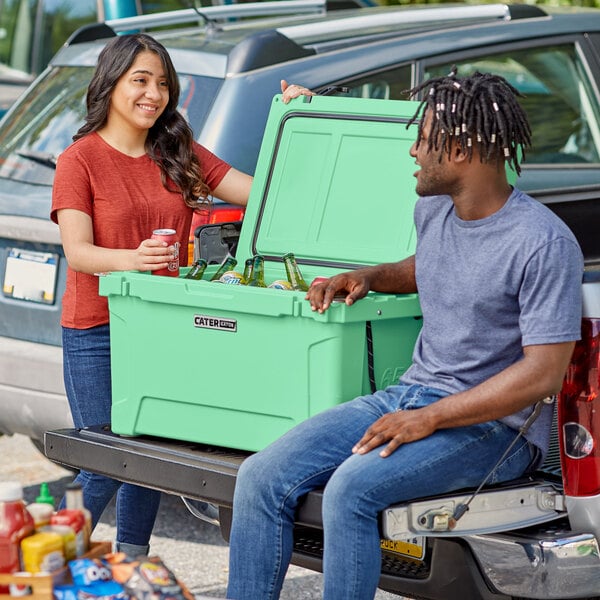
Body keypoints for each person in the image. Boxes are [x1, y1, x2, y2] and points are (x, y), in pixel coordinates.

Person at [226, 70, 584, 599]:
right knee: (259, 477)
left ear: (461, 151)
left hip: (497, 430)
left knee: (350, 489)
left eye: (424, 140)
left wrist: (429, 418)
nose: (412, 151)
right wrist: (370, 277)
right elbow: (429, 264)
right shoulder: (434, 209)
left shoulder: (545, 243)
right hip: (411, 396)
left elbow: (542, 375)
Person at [50, 33, 309, 556]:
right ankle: (41, 560)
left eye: (163, 83)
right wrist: (132, 259)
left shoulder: (176, 151)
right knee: (105, 459)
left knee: (150, 455)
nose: (154, 94)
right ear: (112, 82)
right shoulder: (78, 160)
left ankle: (135, 564)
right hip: (96, 329)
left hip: (161, 328)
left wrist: (293, 122)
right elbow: (77, 252)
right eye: (140, 81)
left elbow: (262, 192)